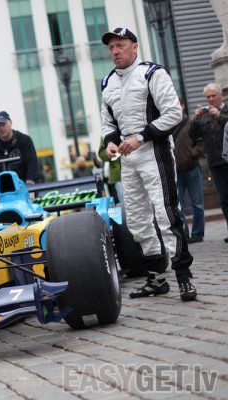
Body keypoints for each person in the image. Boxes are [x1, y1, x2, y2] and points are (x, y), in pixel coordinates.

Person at [100, 27, 196, 301]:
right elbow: (108, 122)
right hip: (127, 158)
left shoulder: (153, 73)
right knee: (137, 220)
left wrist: (141, 137)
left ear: (135, 47)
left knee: (167, 214)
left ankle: (184, 277)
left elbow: (174, 114)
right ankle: (156, 279)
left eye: (120, 45)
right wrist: (110, 141)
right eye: (111, 47)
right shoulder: (107, 82)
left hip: (155, 152)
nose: (115, 51)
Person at [191, 83, 228, 243]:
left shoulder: (226, 111)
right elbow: (192, 135)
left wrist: (219, 116)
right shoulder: (204, 116)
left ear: (221, 95)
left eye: (213, 96)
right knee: (224, 199)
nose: (211, 99)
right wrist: (196, 119)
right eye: (208, 97)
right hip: (215, 162)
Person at [173, 99, 205, 244]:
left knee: (197, 204)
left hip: (192, 169)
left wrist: (192, 153)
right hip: (175, 171)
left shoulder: (191, 122)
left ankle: (197, 233)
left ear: (183, 106)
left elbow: (201, 143)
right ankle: (184, 234)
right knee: (178, 206)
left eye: (177, 104)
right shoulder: (167, 126)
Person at [0, 111, 41, 188]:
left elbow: (32, 163)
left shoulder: (24, 140)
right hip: (4, 189)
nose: (1, 128)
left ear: (10, 122)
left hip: (25, 185)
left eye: (3, 124)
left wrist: (30, 185)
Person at [98, 137, 123, 204]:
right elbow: (101, 154)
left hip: (139, 169)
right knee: (124, 202)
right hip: (117, 176)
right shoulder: (105, 133)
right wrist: (115, 154)